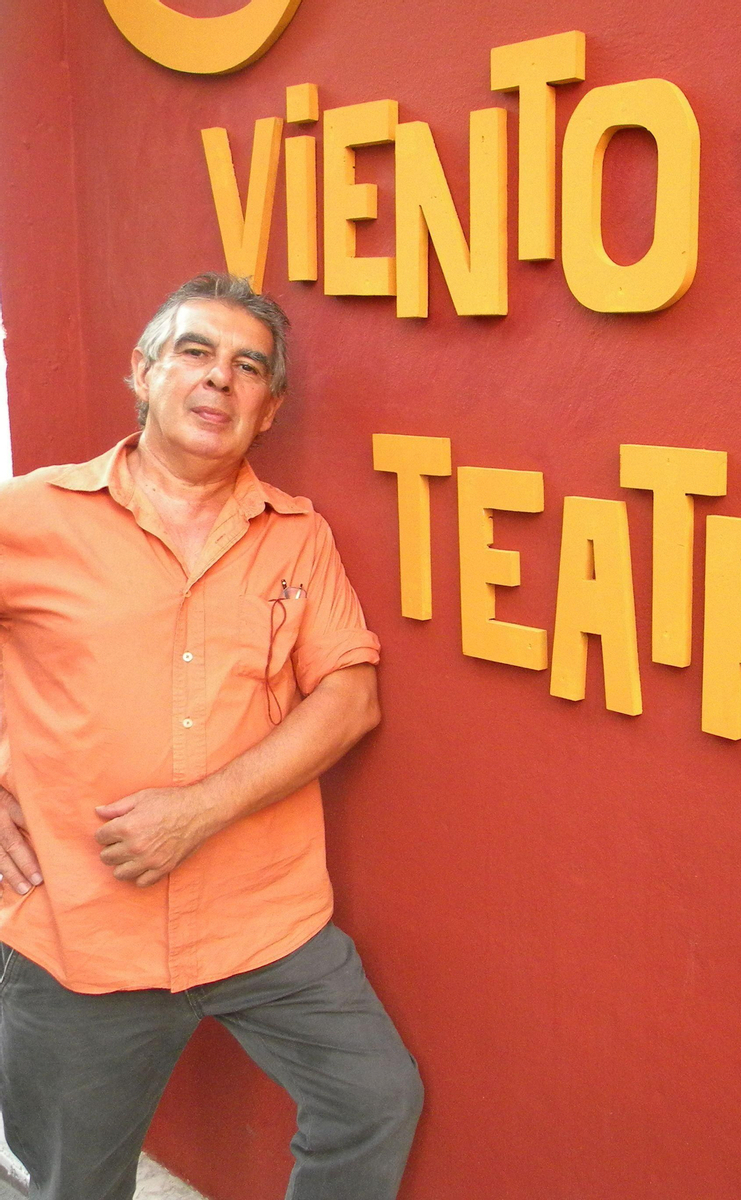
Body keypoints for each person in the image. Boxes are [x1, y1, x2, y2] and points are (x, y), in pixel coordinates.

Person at [0, 273, 423, 1200]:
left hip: (265, 924)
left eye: (248, 368)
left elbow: (350, 698)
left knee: (375, 1099)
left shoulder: (297, 539)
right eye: (195, 352)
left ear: (268, 411)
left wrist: (198, 812)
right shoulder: (27, 517)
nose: (219, 380)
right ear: (144, 372)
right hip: (82, 933)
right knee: (72, 1182)